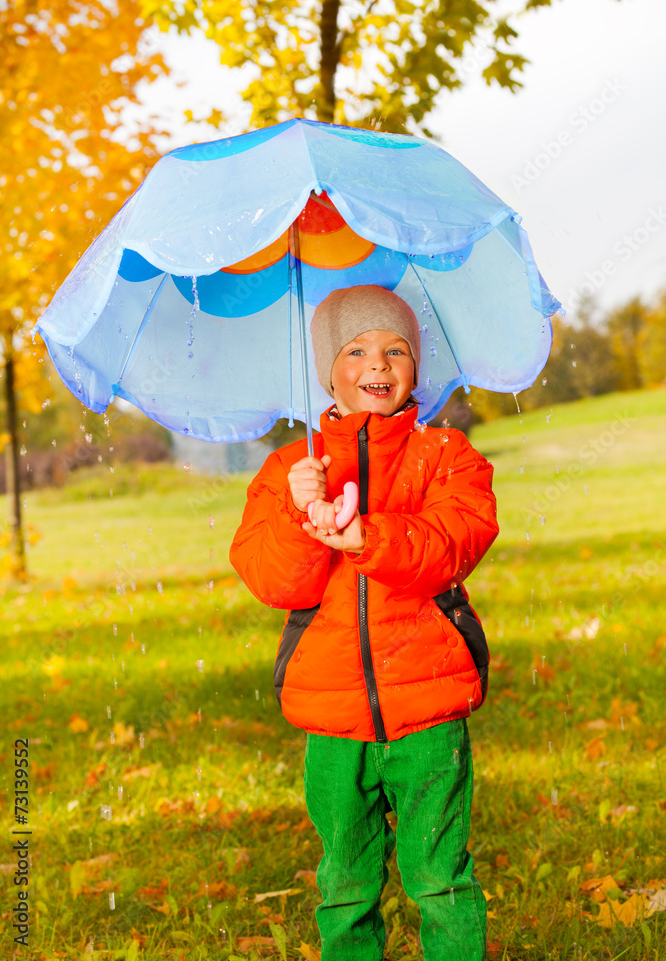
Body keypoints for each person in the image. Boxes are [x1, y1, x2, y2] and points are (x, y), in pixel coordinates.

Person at [230, 284, 498, 961]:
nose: (377, 363)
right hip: (330, 716)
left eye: (395, 349)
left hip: (429, 708)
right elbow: (273, 579)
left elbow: (450, 545)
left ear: (415, 368)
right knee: (344, 882)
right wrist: (301, 517)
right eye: (355, 350)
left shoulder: (446, 456)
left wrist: (363, 539)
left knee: (439, 876)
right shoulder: (291, 469)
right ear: (328, 370)